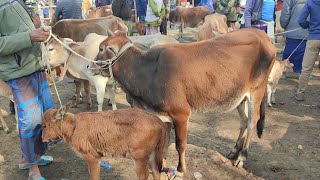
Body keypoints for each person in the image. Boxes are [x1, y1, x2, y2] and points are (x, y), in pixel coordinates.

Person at [0, 0, 54, 179]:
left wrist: (36, 27)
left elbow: (19, 28)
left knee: (46, 115)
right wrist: (29, 36)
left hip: (35, 66)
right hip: (18, 73)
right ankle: (33, 169)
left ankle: (29, 158)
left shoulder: (18, 1)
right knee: (30, 122)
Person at [294, 0, 320, 101]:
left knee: (306, 69)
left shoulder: (311, 2)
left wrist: (308, 25)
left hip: (313, 37)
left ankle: (300, 94)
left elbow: (301, 20)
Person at [280, 0, 308, 76]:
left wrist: (284, 25)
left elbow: (285, 13)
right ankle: (299, 72)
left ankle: (285, 72)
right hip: (308, 32)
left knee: (289, 53)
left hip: (292, 30)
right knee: (304, 54)